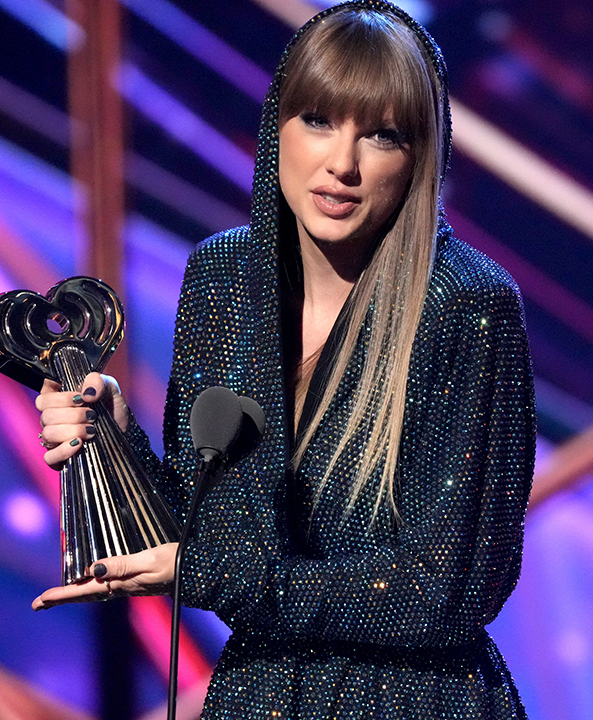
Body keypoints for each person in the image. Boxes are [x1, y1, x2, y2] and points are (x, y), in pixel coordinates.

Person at [33, 2, 535, 717]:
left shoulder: (467, 305)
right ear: (279, 127)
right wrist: (118, 444)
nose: (343, 164)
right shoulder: (224, 277)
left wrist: (216, 576)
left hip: (414, 701)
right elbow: (218, 538)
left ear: (422, 158)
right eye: (319, 120)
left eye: (382, 135)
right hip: (260, 693)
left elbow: (445, 591)